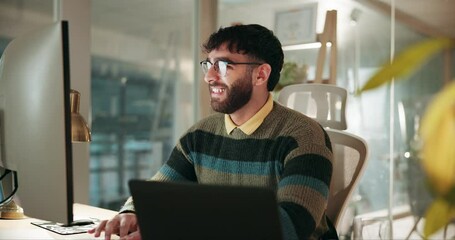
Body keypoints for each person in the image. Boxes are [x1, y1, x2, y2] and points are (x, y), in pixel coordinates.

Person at [88, 24, 336, 240]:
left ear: (261, 74)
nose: (209, 76)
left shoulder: (304, 136)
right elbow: (157, 191)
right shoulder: (201, 135)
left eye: (224, 66)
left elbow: (289, 227)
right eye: (208, 64)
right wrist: (132, 213)